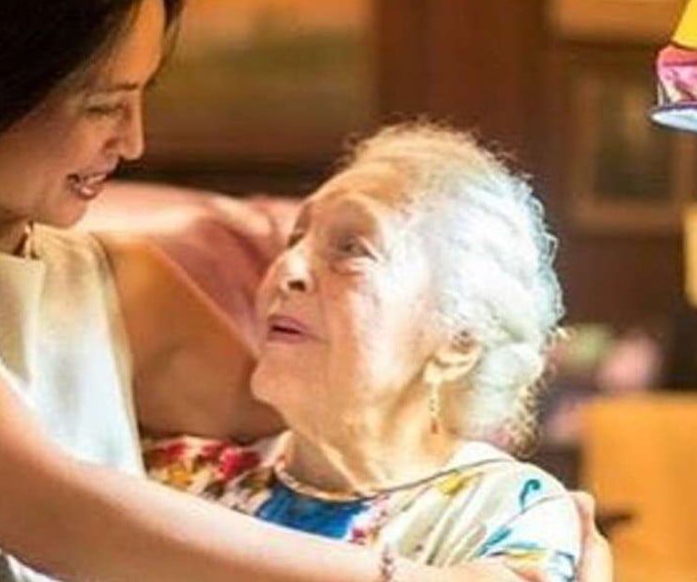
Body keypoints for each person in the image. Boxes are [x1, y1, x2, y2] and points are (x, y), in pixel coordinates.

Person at [0, 0, 614, 580]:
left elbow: (345, 428)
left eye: (142, 98)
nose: (135, 141)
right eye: (103, 104)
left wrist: (544, 541)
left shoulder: (121, 285)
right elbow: (50, 511)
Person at [144, 125, 580, 581]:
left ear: (459, 340)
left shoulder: (507, 513)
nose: (286, 269)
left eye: (351, 249)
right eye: (294, 240)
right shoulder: (183, 479)